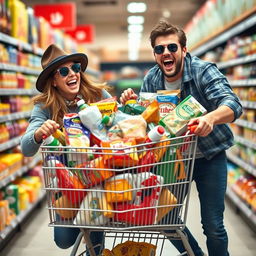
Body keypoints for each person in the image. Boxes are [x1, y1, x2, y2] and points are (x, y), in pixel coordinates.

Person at [120, 20, 243, 256]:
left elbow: (232, 104)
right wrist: (130, 106)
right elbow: (147, 122)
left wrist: (211, 118)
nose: (166, 53)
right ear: (155, 54)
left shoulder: (203, 71)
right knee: (165, 217)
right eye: (159, 49)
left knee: (213, 226)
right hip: (173, 160)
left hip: (209, 156)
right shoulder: (152, 79)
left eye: (172, 48)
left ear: (184, 50)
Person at [20, 44, 111, 255]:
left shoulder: (97, 95)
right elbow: (25, 148)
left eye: (75, 68)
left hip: (100, 178)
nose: (72, 74)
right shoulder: (45, 107)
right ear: (54, 80)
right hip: (68, 185)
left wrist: (124, 106)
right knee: (64, 239)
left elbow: (120, 126)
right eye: (63, 71)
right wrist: (38, 132)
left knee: (94, 238)